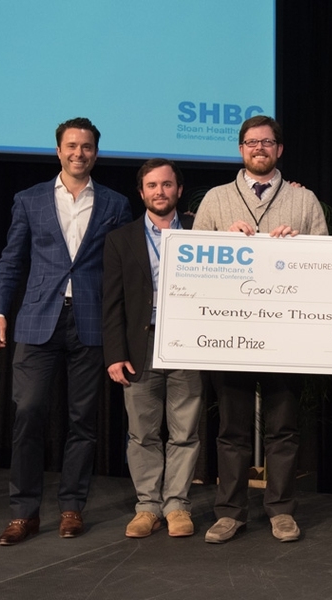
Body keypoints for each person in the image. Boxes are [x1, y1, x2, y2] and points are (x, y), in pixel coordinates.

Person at [0, 117, 132, 546]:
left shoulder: (115, 204)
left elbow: (122, 269)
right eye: (71, 146)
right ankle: (23, 513)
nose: (78, 153)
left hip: (90, 323)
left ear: (96, 153)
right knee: (28, 414)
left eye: (86, 147)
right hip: (37, 321)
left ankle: (72, 507)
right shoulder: (29, 200)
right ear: (58, 151)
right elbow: (12, 260)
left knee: (82, 422)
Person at [193, 115, 327, 544]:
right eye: (251, 143)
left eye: (267, 142)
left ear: (279, 149)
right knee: (231, 430)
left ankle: (281, 510)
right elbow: (191, 265)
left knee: (283, 428)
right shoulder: (215, 200)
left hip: (285, 336)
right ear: (240, 149)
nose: (259, 149)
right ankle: (230, 512)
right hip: (229, 335)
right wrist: (222, 242)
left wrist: (301, 247)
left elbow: (327, 263)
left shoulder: (304, 202)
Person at [102, 158, 204, 539]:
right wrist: (114, 353)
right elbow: (110, 301)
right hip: (139, 344)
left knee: (184, 430)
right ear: (141, 192)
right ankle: (147, 507)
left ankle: (177, 505)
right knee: (142, 433)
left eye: (166, 184)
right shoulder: (121, 239)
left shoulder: (199, 230)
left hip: (187, 344)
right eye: (152, 186)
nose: (159, 192)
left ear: (178, 189)